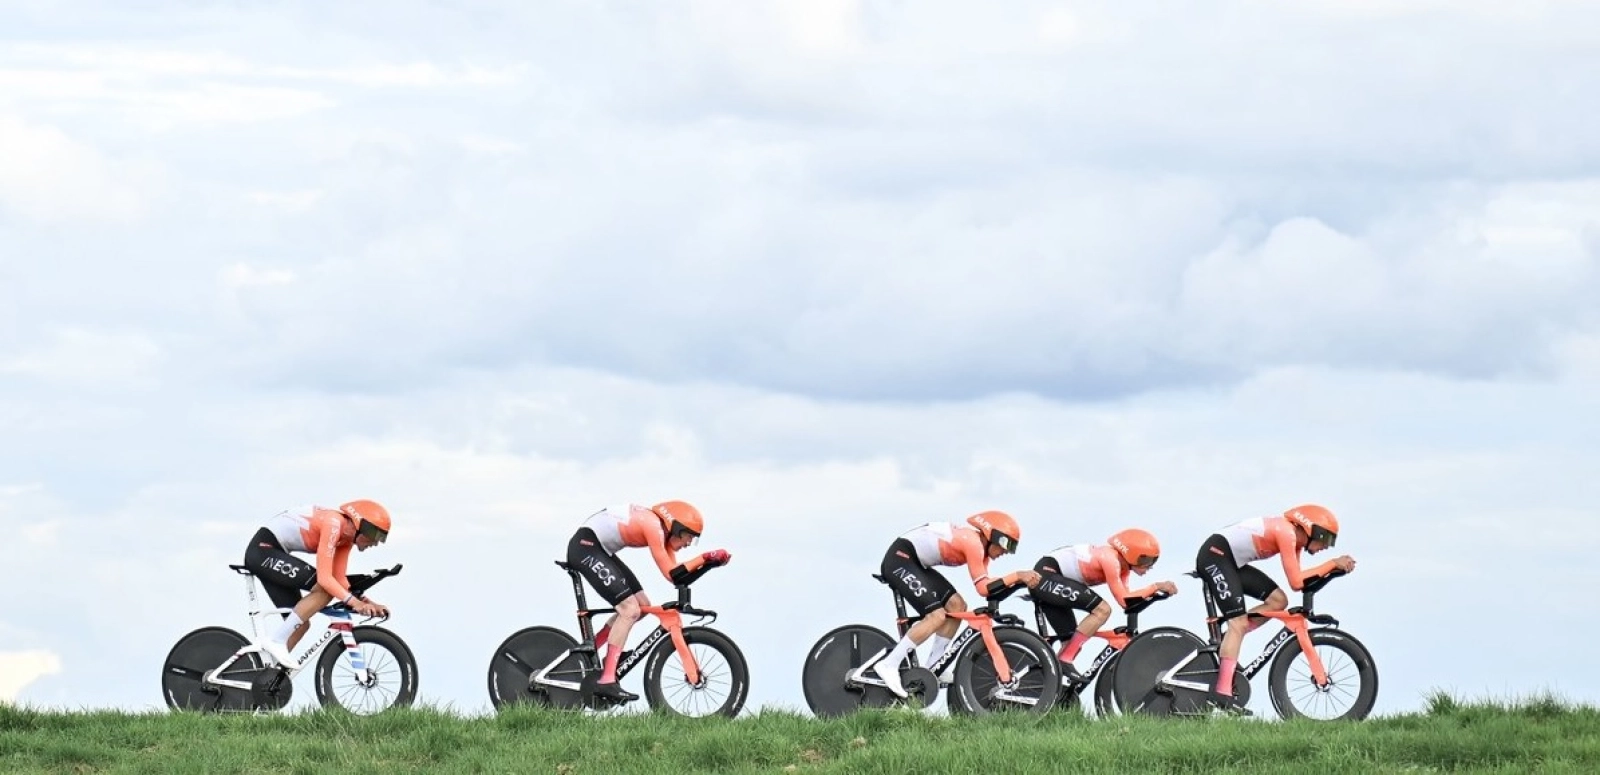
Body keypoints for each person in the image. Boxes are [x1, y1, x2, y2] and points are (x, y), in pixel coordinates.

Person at [1195, 504, 1356, 714]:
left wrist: (1332, 571)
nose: (1327, 546)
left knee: (1279, 601)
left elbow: (1297, 583)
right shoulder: (1286, 532)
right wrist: (1332, 563)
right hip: (1215, 556)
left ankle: (1231, 638)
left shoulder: (1294, 541)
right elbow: (1297, 581)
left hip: (1230, 561)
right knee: (1239, 623)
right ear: (1310, 529)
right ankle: (1223, 693)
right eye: (1326, 539)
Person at [566, 501, 731, 702]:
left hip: (598, 549)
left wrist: (709, 564)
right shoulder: (653, 526)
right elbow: (672, 573)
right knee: (630, 610)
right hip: (586, 547)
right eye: (689, 536)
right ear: (676, 527)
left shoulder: (662, 531)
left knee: (642, 606)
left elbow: (677, 577)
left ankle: (595, 650)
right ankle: (607, 680)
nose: (689, 543)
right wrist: (705, 557)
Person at [864, 510, 1040, 698]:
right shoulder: (972, 543)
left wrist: (1019, 582)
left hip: (916, 563)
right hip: (900, 559)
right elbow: (983, 589)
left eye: (1012, 547)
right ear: (991, 535)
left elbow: (988, 586)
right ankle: (889, 664)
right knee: (937, 616)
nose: (1006, 552)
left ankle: (933, 666)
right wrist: (1017, 576)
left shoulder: (982, 552)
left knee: (957, 605)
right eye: (1006, 544)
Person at [242, 500, 392, 667]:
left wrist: (366, 602)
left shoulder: (346, 539)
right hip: (262, 550)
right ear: (361, 526)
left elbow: (340, 580)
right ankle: (277, 641)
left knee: (300, 625)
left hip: (274, 552)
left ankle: (266, 675)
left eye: (382, 538)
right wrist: (354, 602)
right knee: (324, 589)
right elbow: (325, 580)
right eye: (376, 536)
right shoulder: (334, 523)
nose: (376, 543)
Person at [1032, 528, 1178, 685]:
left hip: (1053, 579)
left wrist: (1153, 597)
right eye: (1146, 561)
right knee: (1102, 610)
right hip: (1045, 576)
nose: (1149, 567)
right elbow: (1123, 599)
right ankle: (1064, 660)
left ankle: (1047, 689)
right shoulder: (1109, 558)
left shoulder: (1123, 569)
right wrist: (1156, 586)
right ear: (1131, 554)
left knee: (1070, 643)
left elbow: (1127, 602)